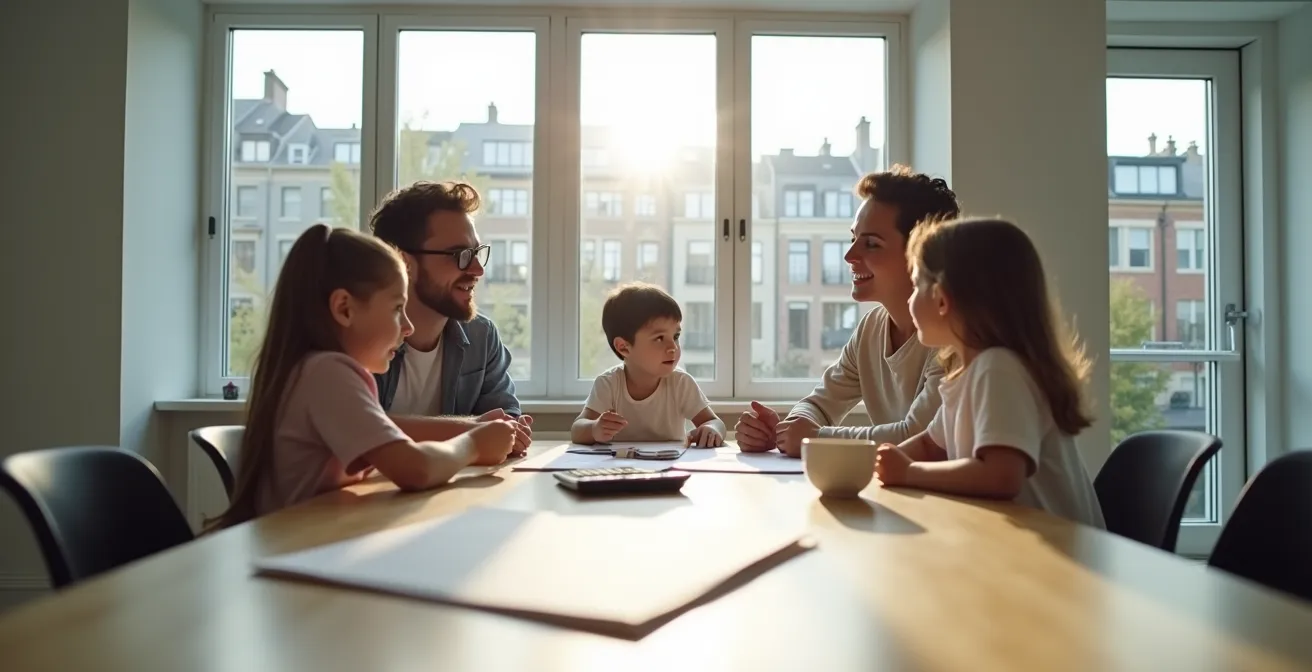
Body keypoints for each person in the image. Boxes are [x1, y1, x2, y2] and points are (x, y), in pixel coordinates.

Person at [208, 225, 518, 529]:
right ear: (344, 308)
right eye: (398, 308)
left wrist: (476, 431)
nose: (407, 326)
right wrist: (474, 444)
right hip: (296, 550)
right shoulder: (327, 375)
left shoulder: (316, 371)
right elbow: (416, 469)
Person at [875, 218, 1105, 528]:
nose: (909, 299)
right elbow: (931, 446)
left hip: (1056, 559)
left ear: (942, 299)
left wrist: (906, 473)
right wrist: (874, 468)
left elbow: (1000, 476)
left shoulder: (998, 369)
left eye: (916, 286)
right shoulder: (968, 373)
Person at [736, 166, 961, 457]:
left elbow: (918, 436)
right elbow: (818, 404)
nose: (849, 256)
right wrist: (785, 429)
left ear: (920, 253)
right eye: (853, 238)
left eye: (871, 244)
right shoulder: (871, 329)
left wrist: (814, 438)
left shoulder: (954, 334)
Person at [369, 181, 532, 453]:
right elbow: (360, 427)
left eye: (477, 253)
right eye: (460, 255)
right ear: (404, 262)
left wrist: (503, 432)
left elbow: (507, 424)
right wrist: (474, 429)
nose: (477, 270)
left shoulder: (481, 336)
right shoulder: (359, 334)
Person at [571, 283, 726, 447]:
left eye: (675, 336)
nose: (673, 347)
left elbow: (715, 422)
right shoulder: (609, 384)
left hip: (669, 469)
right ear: (624, 347)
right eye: (659, 338)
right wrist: (594, 429)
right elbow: (577, 430)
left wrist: (711, 429)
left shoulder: (681, 383)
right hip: (623, 469)